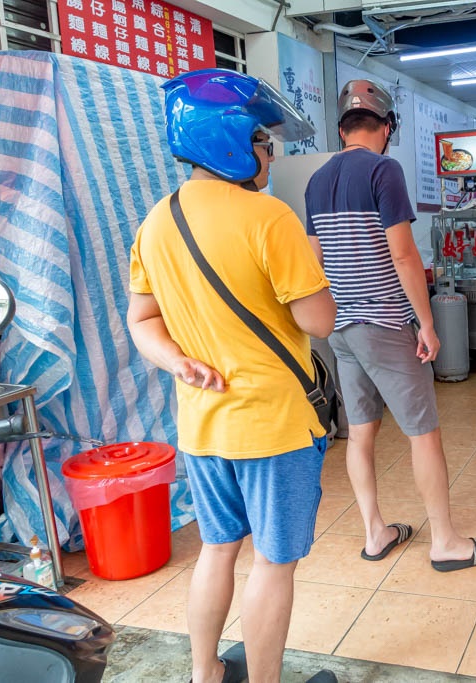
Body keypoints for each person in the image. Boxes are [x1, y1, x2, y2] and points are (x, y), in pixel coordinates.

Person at [127, 69, 337, 683]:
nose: (270, 152)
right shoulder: (270, 218)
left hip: (201, 423)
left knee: (218, 550)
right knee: (274, 562)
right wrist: (314, 258)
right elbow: (319, 321)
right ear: (233, 139)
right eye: (264, 140)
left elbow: (141, 320)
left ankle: (204, 673)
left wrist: (177, 362)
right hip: (273, 424)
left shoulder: (156, 220)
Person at [305, 79, 476, 572]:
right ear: (387, 127)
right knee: (423, 433)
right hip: (386, 322)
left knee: (362, 433)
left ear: (341, 126)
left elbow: (314, 261)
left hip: (342, 326)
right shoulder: (383, 171)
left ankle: (375, 533)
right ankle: (446, 543)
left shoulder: (315, 181)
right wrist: (427, 323)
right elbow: (405, 255)